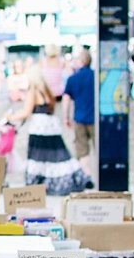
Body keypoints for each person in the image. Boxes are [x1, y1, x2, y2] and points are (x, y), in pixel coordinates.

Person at [8, 67, 92, 195]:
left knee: (38, 156)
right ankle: (72, 178)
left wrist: (10, 117)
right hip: (51, 126)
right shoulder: (46, 90)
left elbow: (26, 111)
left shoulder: (33, 90)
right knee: (57, 154)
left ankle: (38, 183)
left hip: (39, 128)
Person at [61, 48, 96, 178]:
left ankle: (86, 175)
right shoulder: (96, 76)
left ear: (81, 61)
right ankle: (99, 176)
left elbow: (66, 99)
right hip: (95, 119)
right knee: (97, 147)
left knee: (82, 149)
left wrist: (66, 117)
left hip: (79, 118)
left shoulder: (72, 79)